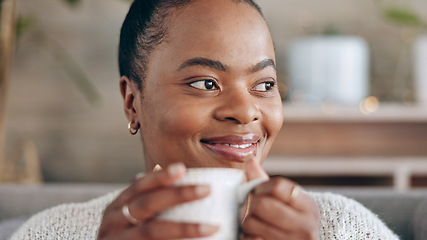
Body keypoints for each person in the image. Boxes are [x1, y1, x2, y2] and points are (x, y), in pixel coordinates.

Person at [10, 0, 399, 239]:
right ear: (132, 101)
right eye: (205, 82)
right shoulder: (53, 233)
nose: (246, 111)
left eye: (264, 84)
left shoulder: (342, 227)